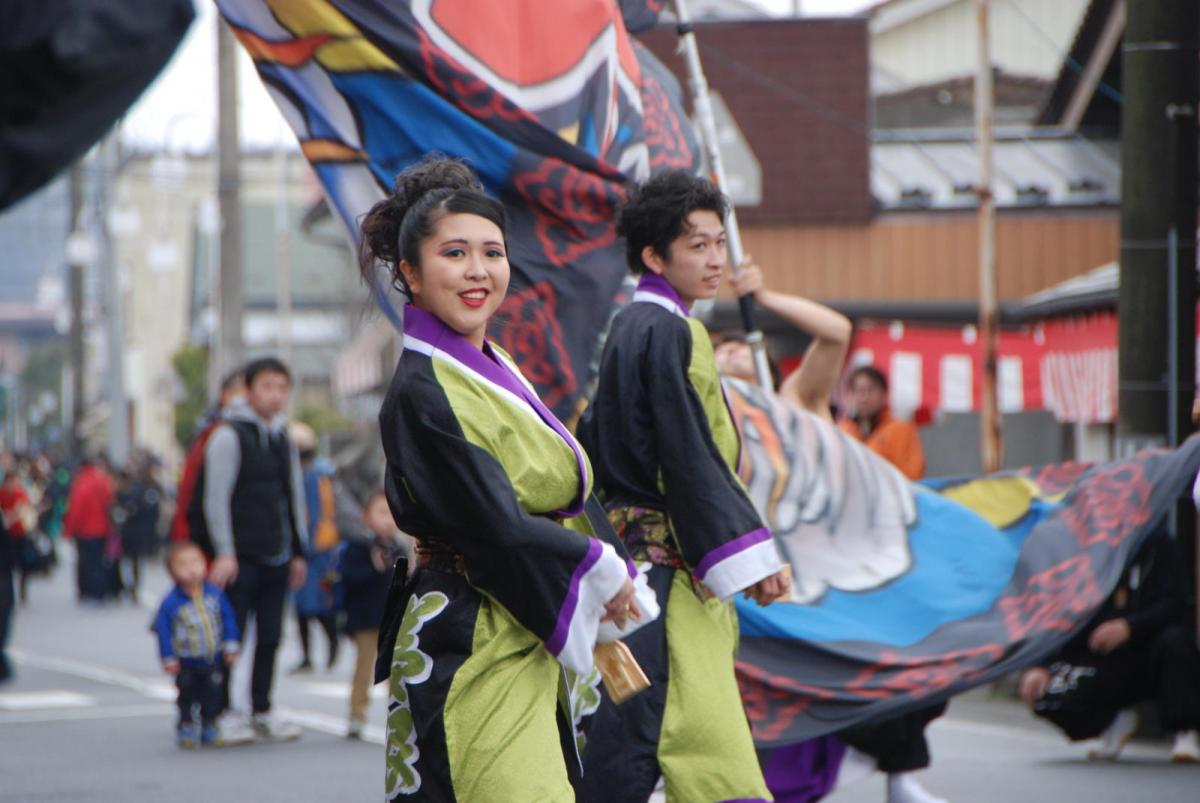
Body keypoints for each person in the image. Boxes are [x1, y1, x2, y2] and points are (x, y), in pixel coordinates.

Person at [364, 157, 653, 801]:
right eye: (455, 253)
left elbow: (554, 501)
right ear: (410, 272)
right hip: (468, 631)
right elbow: (491, 525)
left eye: (492, 253)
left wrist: (602, 573)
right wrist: (599, 570)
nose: (478, 271)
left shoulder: (489, 366)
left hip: (516, 615)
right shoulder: (422, 388)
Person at [577, 169, 790, 802]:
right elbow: (689, 453)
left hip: (628, 584)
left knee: (620, 747)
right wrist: (750, 554)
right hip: (670, 584)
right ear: (654, 255)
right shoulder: (673, 330)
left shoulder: (629, 327)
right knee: (707, 749)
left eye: (718, 242)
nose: (717, 259)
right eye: (697, 245)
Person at [1018, 527, 1200, 763]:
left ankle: (1184, 729)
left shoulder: (1157, 544)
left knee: (1177, 643)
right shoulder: (1085, 550)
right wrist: (1041, 664)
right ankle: (1113, 722)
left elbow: (1176, 603)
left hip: (1152, 648)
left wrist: (1130, 626)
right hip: (1101, 655)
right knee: (1046, 693)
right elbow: (1062, 615)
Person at [202, 356, 307, 742]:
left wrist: (299, 550)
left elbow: (292, 495)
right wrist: (224, 551)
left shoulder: (283, 436)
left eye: (282, 387)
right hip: (240, 557)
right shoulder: (229, 434)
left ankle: (262, 709)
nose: (276, 395)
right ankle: (223, 712)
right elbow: (216, 498)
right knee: (232, 638)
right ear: (248, 390)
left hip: (278, 554)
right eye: (267, 386)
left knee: (271, 636)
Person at [341, 490, 414, 740]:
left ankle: (399, 717)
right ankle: (356, 714)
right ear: (366, 517)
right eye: (381, 513)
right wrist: (374, 567)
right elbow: (347, 577)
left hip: (394, 619)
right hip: (366, 619)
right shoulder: (359, 546)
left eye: (391, 513)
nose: (387, 520)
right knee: (365, 668)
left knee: (398, 670)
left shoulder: (399, 547)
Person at [153, 541, 241, 747]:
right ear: (172, 572)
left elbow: (228, 619)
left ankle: (210, 723)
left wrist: (231, 645)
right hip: (186, 659)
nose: (192, 569)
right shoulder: (172, 602)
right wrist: (168, 656)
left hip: (211, 656)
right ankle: (186, 724)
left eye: (196, 563)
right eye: (183, 565)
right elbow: (163, 631)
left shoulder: (214, 595)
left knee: (212, 692)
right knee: (187, 693)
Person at [288, 422, 341, 674]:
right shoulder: (320, 471)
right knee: (304, 606)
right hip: (314, 548)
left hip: (315, 550)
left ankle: (329, 645)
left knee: (317, 604)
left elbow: (315, 513)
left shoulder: (314, 474)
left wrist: (303, 545)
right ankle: (310, 654)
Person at [171, 369, 243, 547]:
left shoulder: (270, 434)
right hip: (213, 544)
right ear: (226, 395)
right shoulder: (215, 433)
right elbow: (190, 488)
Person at [839, 365, 925, 481]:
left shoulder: (901, 430)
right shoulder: (841, 431)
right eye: (859, 391)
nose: (864, 398)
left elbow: (912, 474)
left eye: (870, 390)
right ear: (850, 396)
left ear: (884, 394)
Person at [62, 454, 116, 604]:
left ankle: (89, 591)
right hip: (103, 528)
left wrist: (69, 530)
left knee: (87, 562)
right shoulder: (103, 480)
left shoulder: (82, 482)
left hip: (85, 529)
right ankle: (101, 591)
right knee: (99, 561)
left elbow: (76, 509)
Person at [116, 456, 163, 605]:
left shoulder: (152, 487)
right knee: (126, 560)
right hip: (130, 529)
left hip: (142, 530)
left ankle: (134, 588)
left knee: (136, 561)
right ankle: (127, 586)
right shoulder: (133, 489)